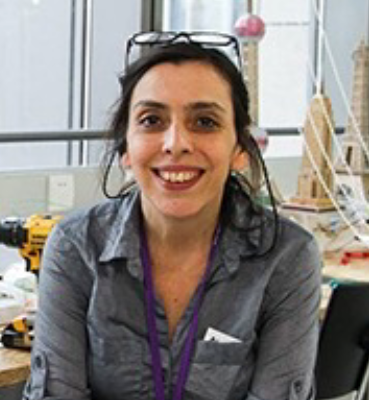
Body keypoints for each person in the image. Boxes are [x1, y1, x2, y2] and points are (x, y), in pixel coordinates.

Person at [23, 31, 321, 400]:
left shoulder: (287, 256)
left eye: (205, 121)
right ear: (126, 148)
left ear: (240, 148)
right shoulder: (75, 247)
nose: (176, 143)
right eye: (151, 120)